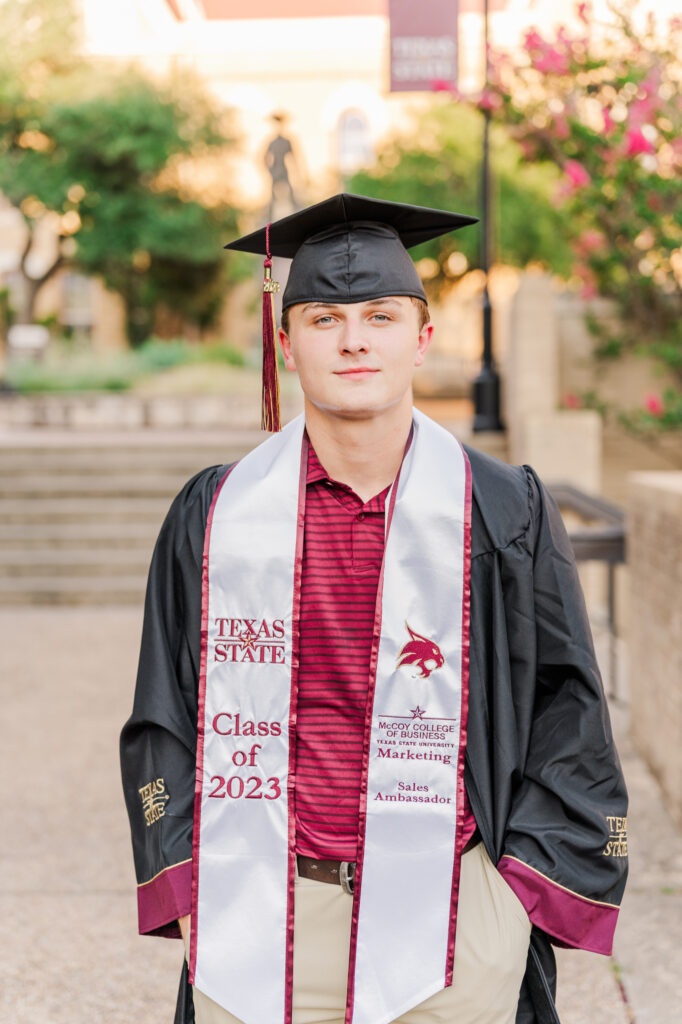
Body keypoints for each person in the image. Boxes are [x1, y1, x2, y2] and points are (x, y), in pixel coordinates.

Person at [120, 194, 628, 1024]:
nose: (355, 339)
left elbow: (568, 711)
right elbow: (161, 715)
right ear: (285, 344)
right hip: (260, 908)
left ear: (423, 338)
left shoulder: (503, 511)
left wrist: (516, 904)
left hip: (453, 919)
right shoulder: (215, 512)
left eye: (381, 316)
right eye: (323, 319)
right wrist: (183, 884)